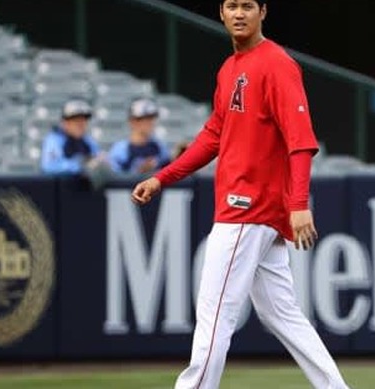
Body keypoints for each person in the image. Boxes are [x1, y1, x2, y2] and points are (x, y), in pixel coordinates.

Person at [131, 1, 351, 388]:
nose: (239, 13)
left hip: (247, 209)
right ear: (220, 12)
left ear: (263, 11)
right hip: (253, 211)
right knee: (282, 315)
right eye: (231, 5)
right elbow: (214, 136)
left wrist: (299, 204)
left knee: (215, 313)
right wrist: (162, 178)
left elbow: (301, 141)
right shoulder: (229, 68)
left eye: (247, 5)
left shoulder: (277, 63)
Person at [108, 96, 171, 175]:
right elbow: (114, 180)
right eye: (146, 119)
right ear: (132, 121)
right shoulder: (120, 149)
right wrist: (138, 171)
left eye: (152, 118)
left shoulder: (159, 147)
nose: (151, 123)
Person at [40, 99, 102, 175]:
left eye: (84, 120)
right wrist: (80, 165)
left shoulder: (88, 141)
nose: (81, 125)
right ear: (65, 123)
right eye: (76, 121)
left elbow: (97, 160)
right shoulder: (54, 139)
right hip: (62, 185)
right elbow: (49, 166)